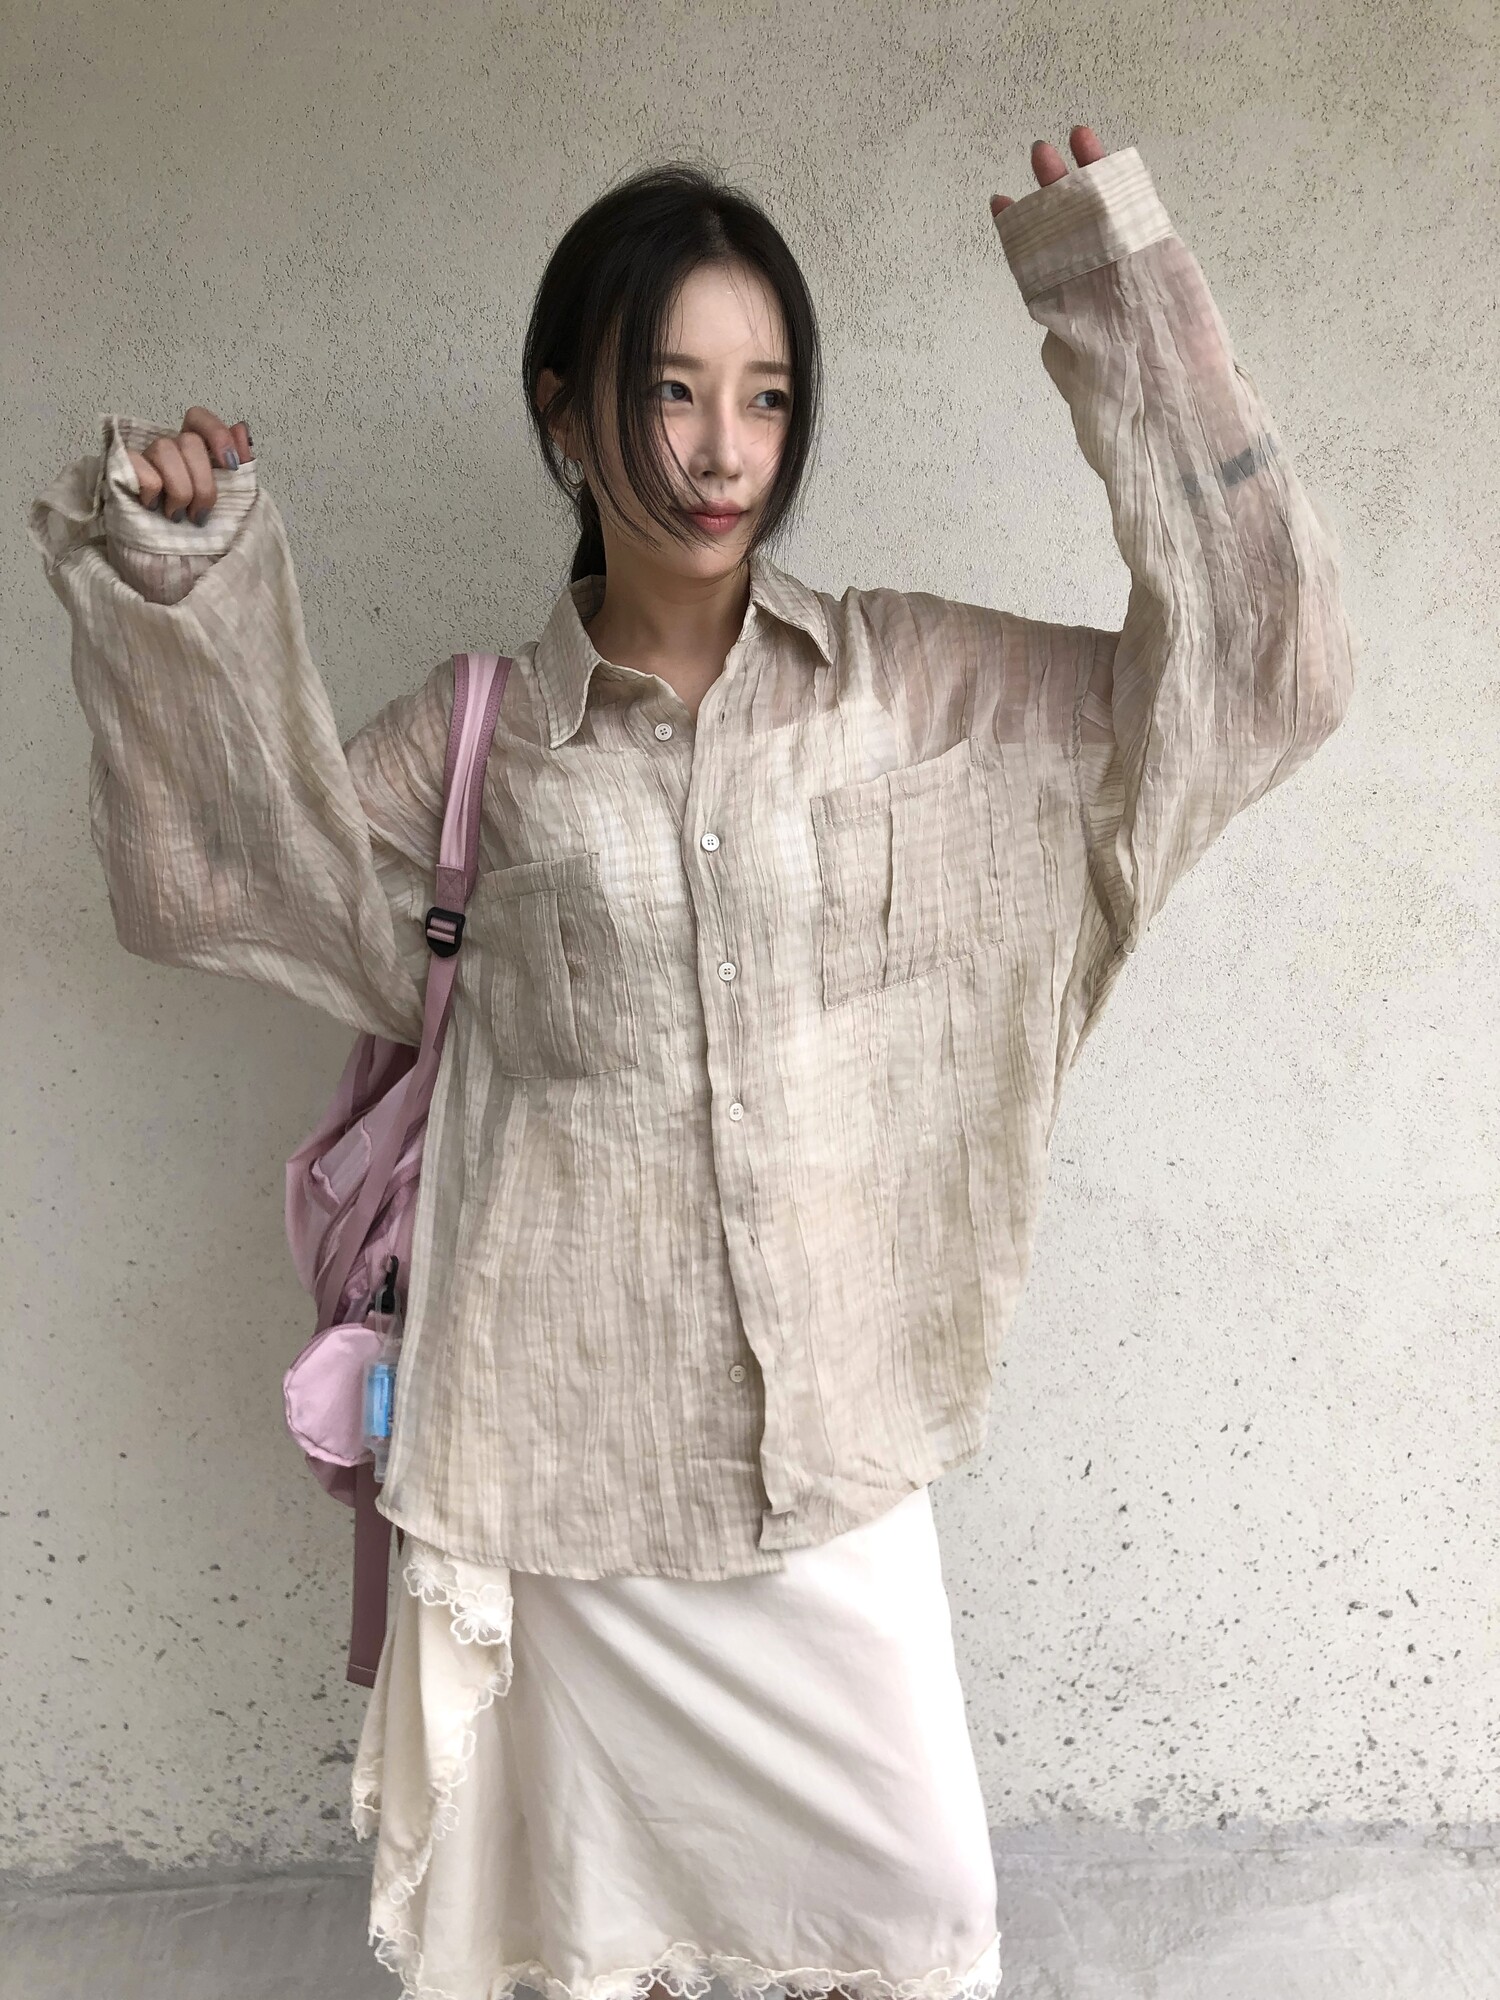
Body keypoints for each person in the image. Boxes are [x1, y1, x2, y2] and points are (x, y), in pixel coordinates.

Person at [27, 125, 1356, 2000]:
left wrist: (1115, 297)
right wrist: (181, 581)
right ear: (565, 415)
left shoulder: (911, 688)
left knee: (918, 1920)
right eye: (671, 390)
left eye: (766, 395)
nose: (726, 450)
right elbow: (222, 875)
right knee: (593, 1950)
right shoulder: (483, 746)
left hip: (831, 1464)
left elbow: (1259, 673)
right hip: (562, 1476)